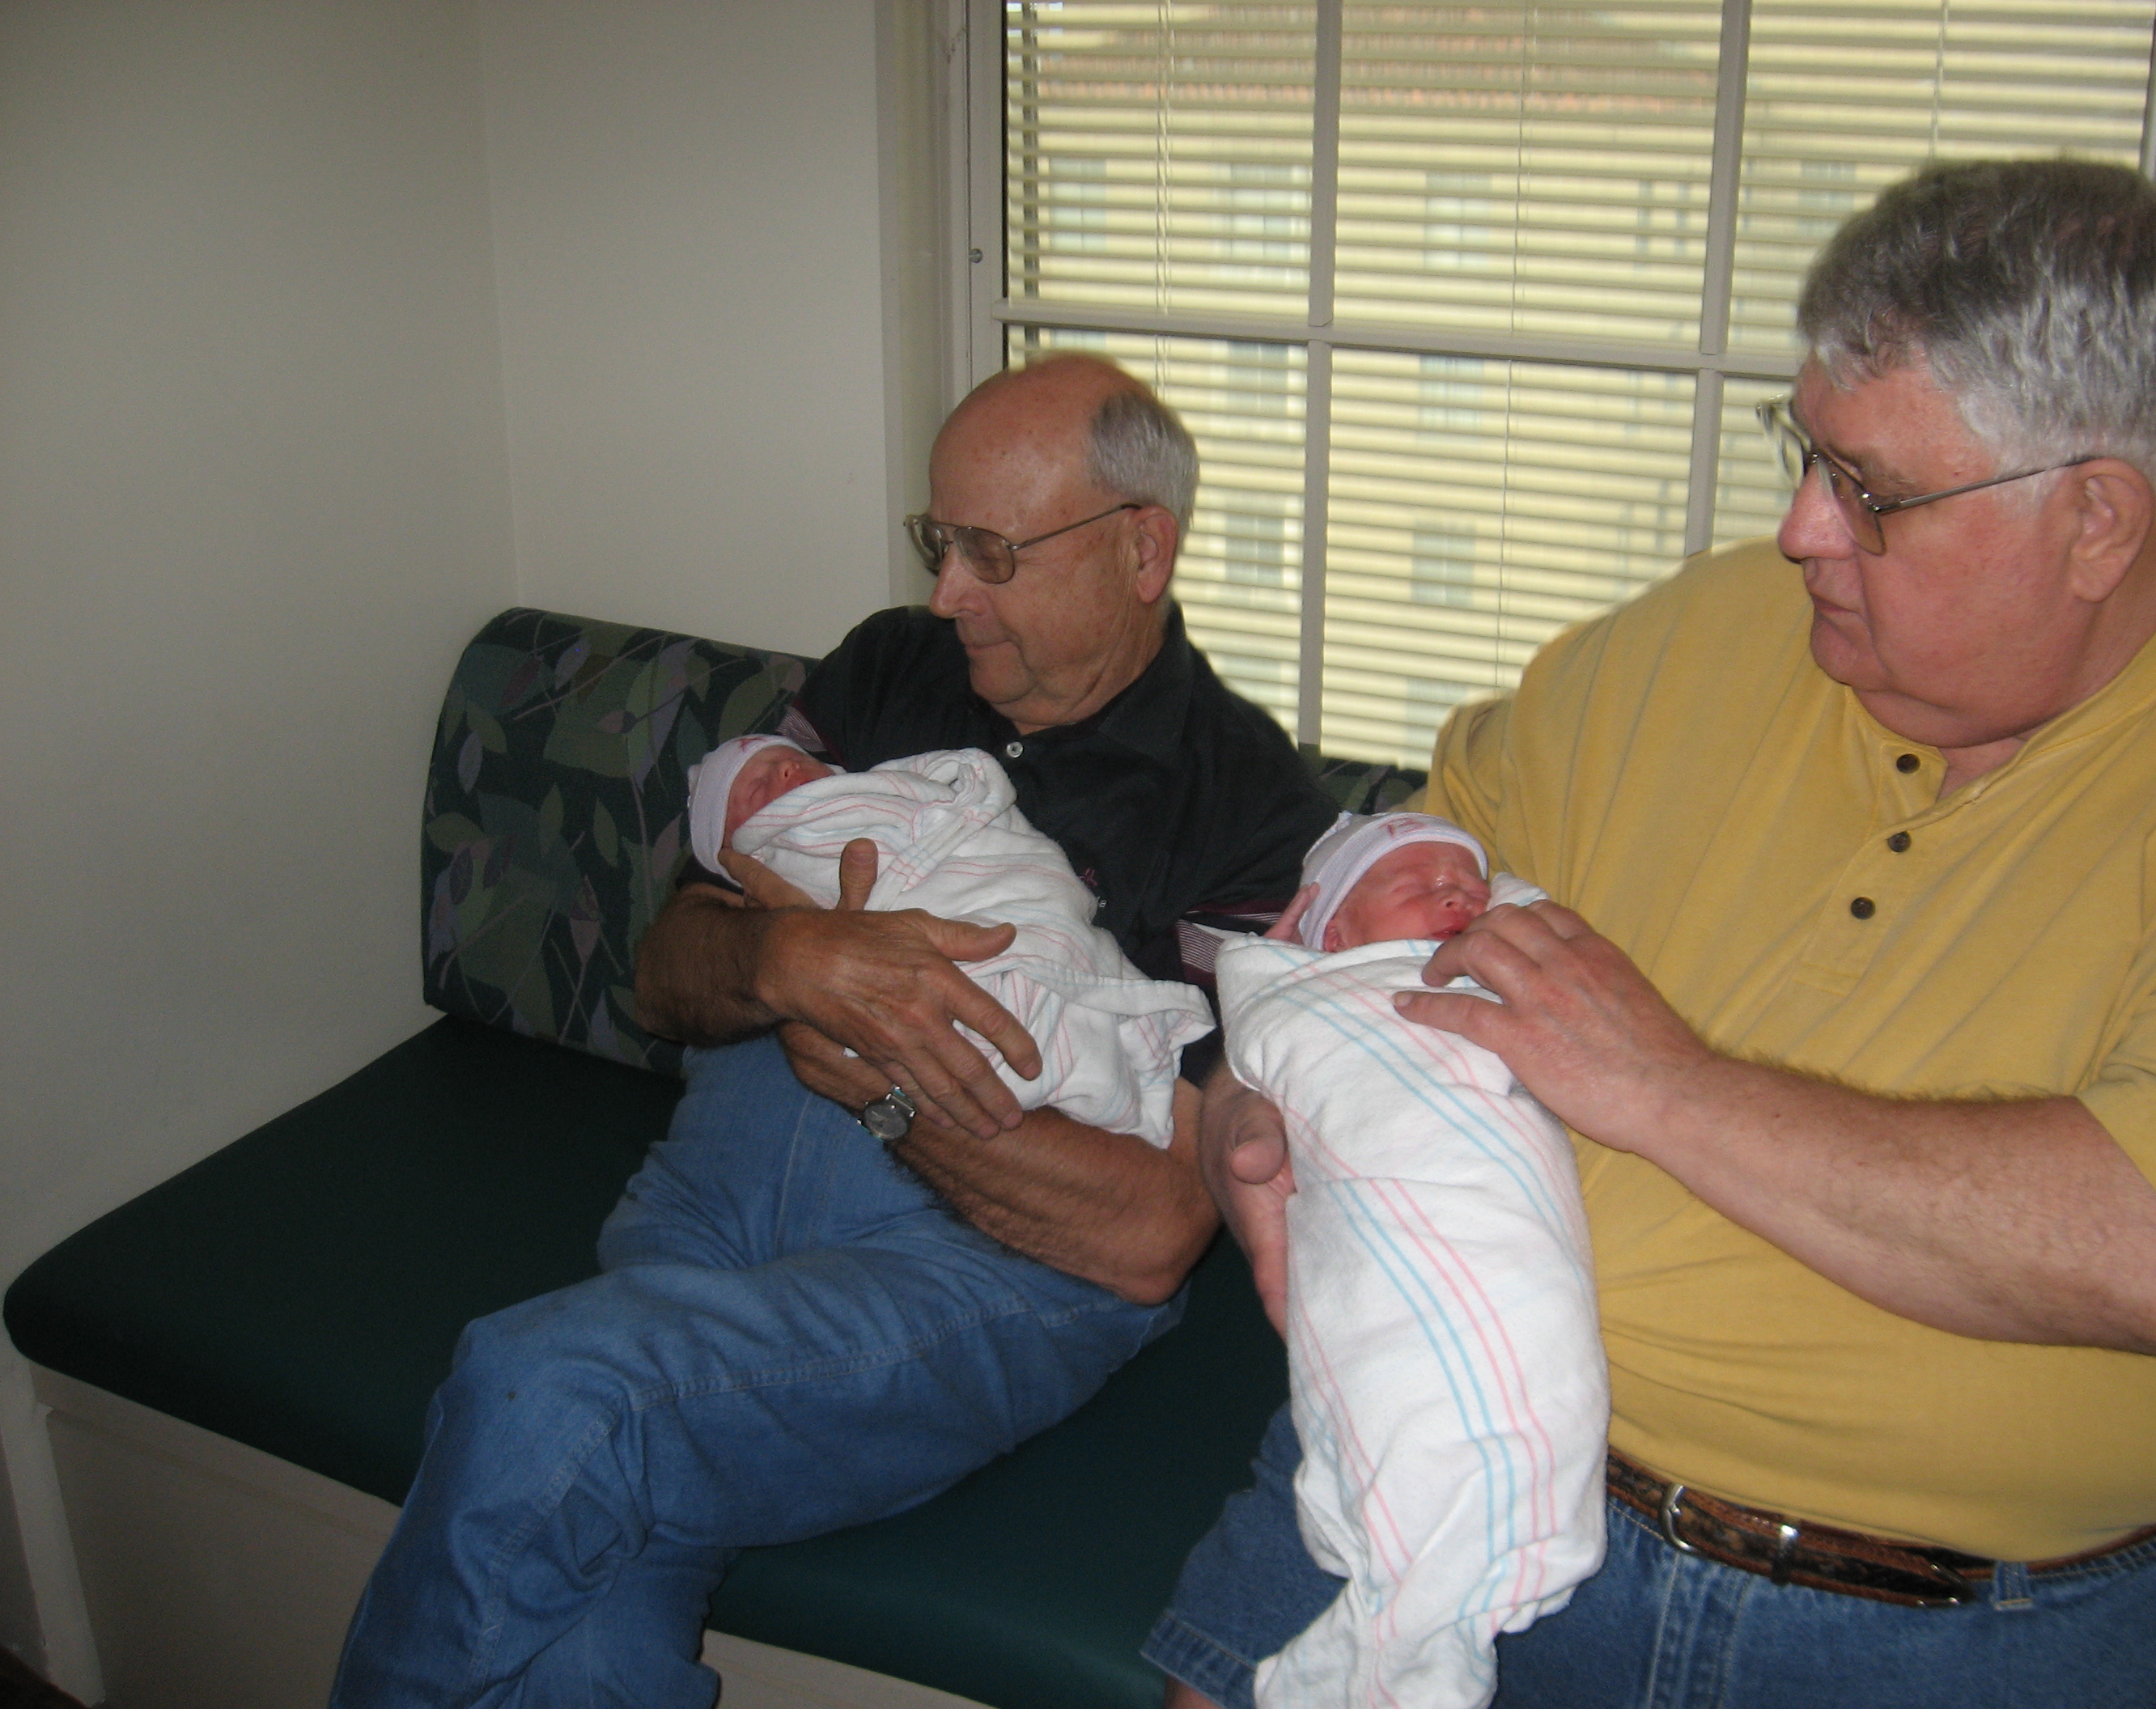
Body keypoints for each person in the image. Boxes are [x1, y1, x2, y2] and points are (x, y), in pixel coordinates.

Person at [1149, 158, 2156, 1709]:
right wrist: (1255, 1108)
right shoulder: (1694, 636)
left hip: (1980, 1633)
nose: (1800, 528)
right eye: (1803, 450)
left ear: (2095, 522)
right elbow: (1363, 917)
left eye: (1869, 489)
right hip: (1441, 1460)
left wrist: (1663, 1084)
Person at [329, 354, 1338, 1707]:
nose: (948, 593)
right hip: (709, 1199)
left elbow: (1153, 1236)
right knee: (587, 1630)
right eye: (939, 541)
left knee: (549, 1393)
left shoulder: (1253, 810)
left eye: (992, 553)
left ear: (1141, 548)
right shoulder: (889, 666)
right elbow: (664, 976)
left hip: (979, 1270)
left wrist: (882, 1077)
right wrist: (784, 956)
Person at [1216, 812, 1605, 1709]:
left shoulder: (1497, 982)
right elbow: (1258, 1023)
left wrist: (1497, 907)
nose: (1455, 894)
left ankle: (1402, 1633)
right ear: (1333, 934)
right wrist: (1269, 973)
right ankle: (1414, 1637)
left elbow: (1542, 926)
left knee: (1531, 1361)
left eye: (1470, 884)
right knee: (1420, 1388)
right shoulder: (1316, 997)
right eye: (1416, 882)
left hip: (1500, 1229)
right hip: (1384, 1243)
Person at [683, 732, 1212, 1142]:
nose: (784, 770)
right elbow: (663, 976)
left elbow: (963, 801)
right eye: (756, 788)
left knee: (1036, 997)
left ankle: (1098, 1061)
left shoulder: (1209, 783)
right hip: (752, 1126)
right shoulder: (769, 862)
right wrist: (798, 946)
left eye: (787, 759)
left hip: (999, 915)